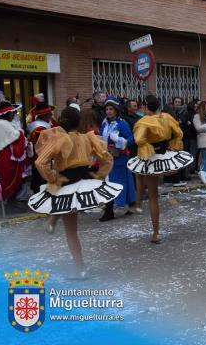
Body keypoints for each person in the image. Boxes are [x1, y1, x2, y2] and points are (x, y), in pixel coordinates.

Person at [27, 107, 122, 276]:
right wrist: (99, 175)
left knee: (70, 229)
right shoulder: (87, 138)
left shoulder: (59, 138)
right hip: (82, 182)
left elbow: (40, 163)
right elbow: (107, 157)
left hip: (66, 185)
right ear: (79, 123)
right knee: (69, 222)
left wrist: (52, 178)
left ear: (62, 121)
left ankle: (80, 269)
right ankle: (53, 223)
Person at [127, 95, 193, 243]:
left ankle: (151, 225)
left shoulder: (143, 121)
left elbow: (138, 140)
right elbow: (179, 133)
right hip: (165, 155)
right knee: (152, 194)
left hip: (151, 158)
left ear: (145, 107)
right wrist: (172, 144)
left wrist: (147, 145)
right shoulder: (167, 117)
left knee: (152, 196)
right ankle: (155, 231)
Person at [99, 96, 136, 221]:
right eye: (107, 109)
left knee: (119, 183)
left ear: (116, 110)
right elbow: (100, 138)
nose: (108, 111)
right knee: (109, 183)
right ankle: (113, 209)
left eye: (111, 109)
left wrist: (119, 141)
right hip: (107, 159)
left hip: (119, 159)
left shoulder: (122, 124)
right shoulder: (104, 124)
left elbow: (131, 140)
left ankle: (116, 208)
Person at [0, 100, 28, 202]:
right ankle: (8, 200)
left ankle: (9, 200)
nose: (14, 114)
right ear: (6, 114)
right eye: (11, 112)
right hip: (5, 156)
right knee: (6, 177)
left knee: (6, 178)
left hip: (5, 154)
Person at [27, 102, 56, 194]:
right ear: (43, 115)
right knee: (40, 179)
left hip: (42, 158)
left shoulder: (42, 125)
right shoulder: (39, 128)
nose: (51, 116)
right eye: (49, 114)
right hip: (41, 158)